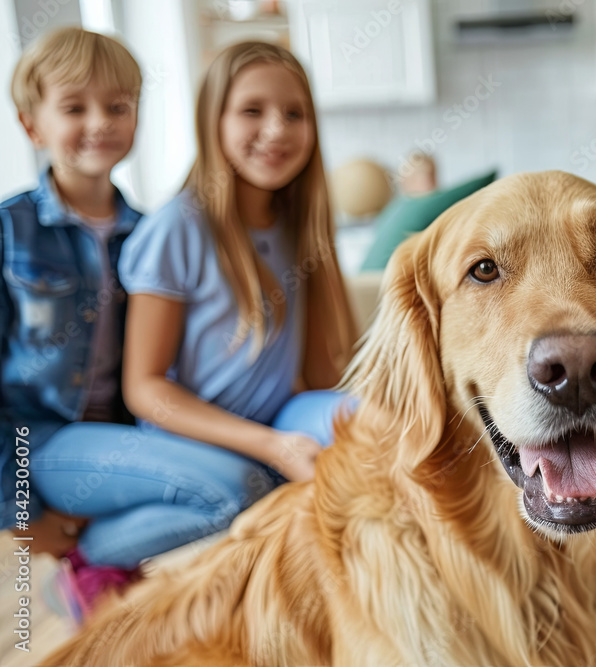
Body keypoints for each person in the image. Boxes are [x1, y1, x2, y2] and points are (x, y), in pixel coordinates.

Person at [30, 40, 357, 617]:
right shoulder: (177, 228)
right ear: (215, 121)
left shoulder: (301, 226)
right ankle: (91, 559)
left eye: (295, 113)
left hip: (271, 422)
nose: (277, 129)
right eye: (252, 111)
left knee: (365, 429)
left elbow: (322, 377)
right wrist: (274, 448)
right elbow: (145, 389)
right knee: (243, 486)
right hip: (185, 438)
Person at [0, 25, 141, 570]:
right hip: (34, 441)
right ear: (32, 125)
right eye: (74, 108)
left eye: (117, 105)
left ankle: (95, 570)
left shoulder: (150, 236)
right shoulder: (11, 231)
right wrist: (21, 512)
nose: (100, 122)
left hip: (120, 439)